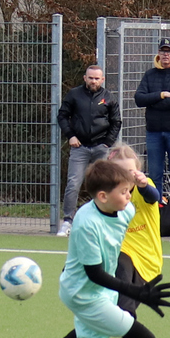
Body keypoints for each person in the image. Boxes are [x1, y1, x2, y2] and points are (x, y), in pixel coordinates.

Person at [0, 158, 170, 338]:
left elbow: (148, 202)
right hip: (84, 294)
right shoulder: (86, 223)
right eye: (124, 192)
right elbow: (94, 274)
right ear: (103, 196)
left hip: (99, 291)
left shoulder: (125, 210)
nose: (129, 196)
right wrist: (137, 292)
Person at [56, 65, 122, 237]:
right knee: (73, 183)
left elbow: (116, 122)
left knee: (104, 185)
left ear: (102, 79)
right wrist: (71, 136)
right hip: (80, 148)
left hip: (101, 148)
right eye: (90, 78)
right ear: (85, 78)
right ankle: (68, 221)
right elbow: (62, 116)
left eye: (96, 78)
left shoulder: (109, 97)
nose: (93, 81)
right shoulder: (74, 95)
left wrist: (108, 143)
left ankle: (102, 220)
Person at [134, 38, 170, 233]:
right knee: (154, 176)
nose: (166, 55)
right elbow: (139, 99)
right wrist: (161, 95)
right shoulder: (150, 74)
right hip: (154, 132)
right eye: (163, 51)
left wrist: (154, 103)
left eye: (169, 51)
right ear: (158, 53)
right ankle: (154, 219)